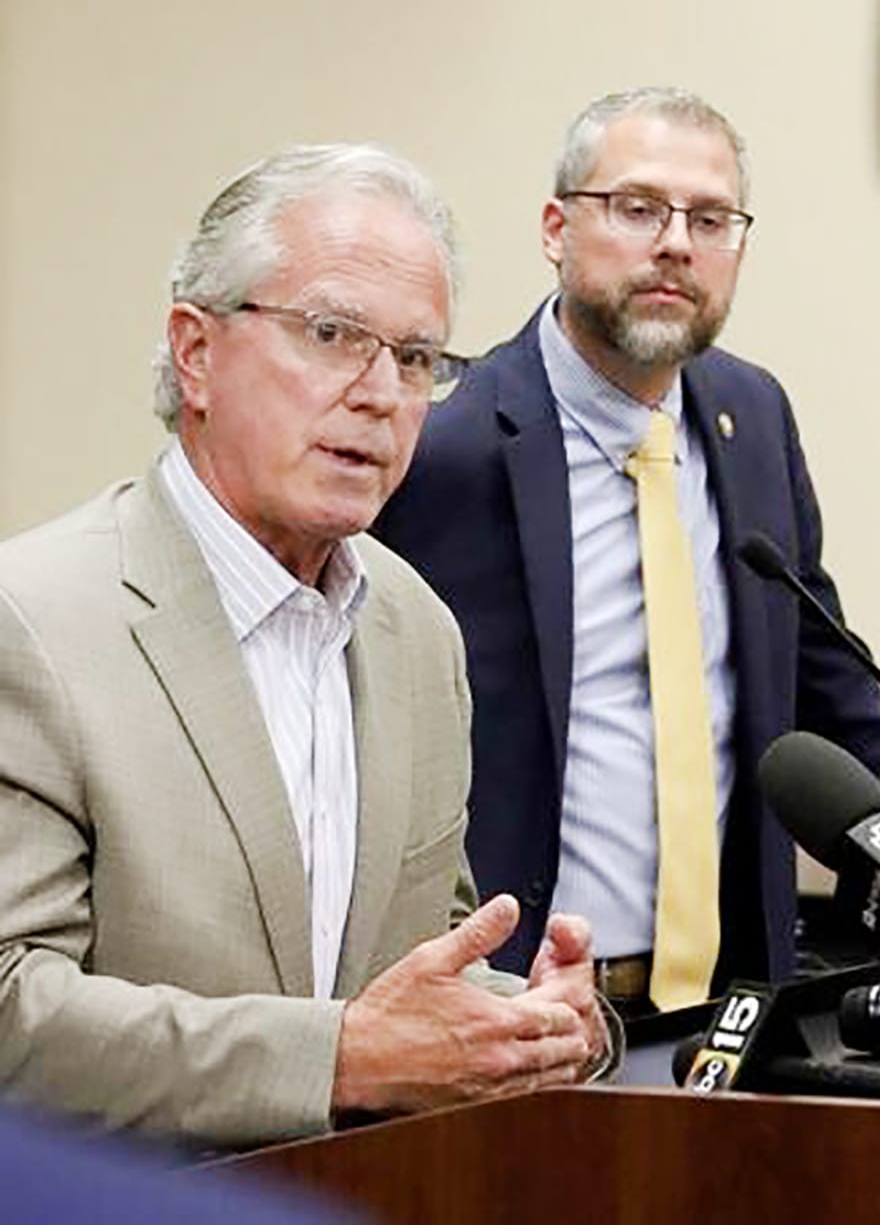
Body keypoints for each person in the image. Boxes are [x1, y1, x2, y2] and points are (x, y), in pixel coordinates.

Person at [0, 144, 608, 1146]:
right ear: (196, 351)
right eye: (332, 335)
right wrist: (335, 1058)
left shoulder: (419, 630)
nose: (380, 393)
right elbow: (13, 1008)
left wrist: (527, 1023)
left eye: (416, 358)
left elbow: (412, 973)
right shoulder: (32, 618)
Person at [374, 88, 880, 1010]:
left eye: (710, 219)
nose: (676, 244)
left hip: (733, 1009)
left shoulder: (754, 417)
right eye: (637, 208)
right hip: (524, 1006)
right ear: (555, 229)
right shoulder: (443, 446)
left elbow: (821, 679)